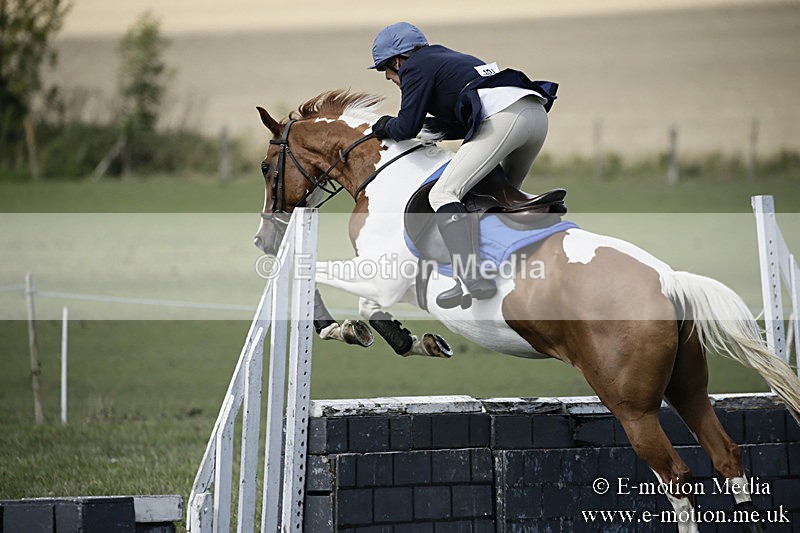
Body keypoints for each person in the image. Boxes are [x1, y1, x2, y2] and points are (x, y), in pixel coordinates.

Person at [368, 22, 558, 310]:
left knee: (443, 195)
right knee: (493, 198)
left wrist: (384, 126)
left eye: (387, 72)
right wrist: (419, 130)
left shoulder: (414, 67)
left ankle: (470, 276)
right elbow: (454, 124)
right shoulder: (446, 58)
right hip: (535, 116)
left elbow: (406, 126)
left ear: (397, 61)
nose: (391, 79)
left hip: (506, 119)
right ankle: (493, 271)